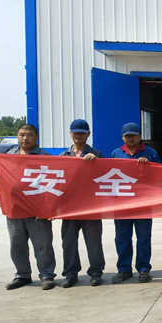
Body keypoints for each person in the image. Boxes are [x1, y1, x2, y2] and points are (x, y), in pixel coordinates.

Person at [5, 124, 56, 291]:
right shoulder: (8, 157)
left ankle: (47, 275)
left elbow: (54, 183)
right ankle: (22, 275)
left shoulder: (45, 157)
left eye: (29, 135)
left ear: (36, 137)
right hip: (15, 210)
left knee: (43, 245)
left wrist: (49, 208)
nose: (25, 138)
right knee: (17, 244)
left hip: (37, 211)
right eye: (21, 135)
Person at [110, 122, 161, 284]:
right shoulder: (116, 154)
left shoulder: (150, 153)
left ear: (140, 136)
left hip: (143, 203)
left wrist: (149, 166)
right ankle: (124, 269)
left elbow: (161, 174)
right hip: (122, 204)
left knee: (143, 237)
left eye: (133, 135)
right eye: (127, 136)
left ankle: (144, 269)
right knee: (122, 238)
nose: (130, 138)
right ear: (122, 137)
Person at [58, 119, 105, 287]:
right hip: (69, 207)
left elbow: (106, 177)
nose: (78, 135)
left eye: (82, 133)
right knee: (68, 242)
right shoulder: (63, 156)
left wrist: (97, 163)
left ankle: (96, 272)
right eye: (75, 133)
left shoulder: (97, 154)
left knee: (93, 241)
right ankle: (70, 273)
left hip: (90, 206)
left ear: (88, 134)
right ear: (70, 134)